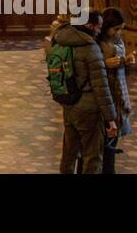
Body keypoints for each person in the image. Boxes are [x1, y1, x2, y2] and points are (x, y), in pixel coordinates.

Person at [48, 9, 117, 174]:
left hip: (68, 103)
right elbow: (101, 87)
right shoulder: (90, 48)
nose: (99, 30)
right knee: (92, 155)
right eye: (98, 27)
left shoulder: (59, 40)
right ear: (89, 25)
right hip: (88, 109)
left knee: (69, 153)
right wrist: (111, 119)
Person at [97, 7, 135, 174]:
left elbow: (124, 72)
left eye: (121, 28)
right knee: (104, 140)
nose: (118, 32)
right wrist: (105, 65)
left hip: (118, 92)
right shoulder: (96, 43)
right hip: (105, 94)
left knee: (112, 139)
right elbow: (90, 69)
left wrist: (127, 63)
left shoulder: (118, 40)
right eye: (116, 28)